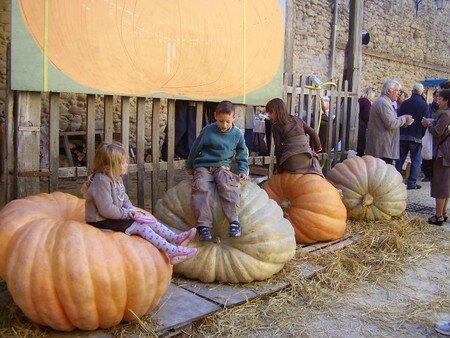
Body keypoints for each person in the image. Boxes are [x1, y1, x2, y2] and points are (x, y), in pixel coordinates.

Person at [83, 142, 198, 264]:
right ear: (111, 166)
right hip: (101, 221)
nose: (126, 165)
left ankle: (176, 238)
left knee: (148, 219)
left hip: (114, 216)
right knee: (141, 226)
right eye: (123, 162)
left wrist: (131, 209)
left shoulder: (115, 177)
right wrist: (128, 214)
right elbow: (107, 210)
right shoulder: (101, 181)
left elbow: (124, 197)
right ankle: (172, 251)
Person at [186, 101, 249, 241]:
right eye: (221, 121)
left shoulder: (237, 134)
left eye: (227, 121)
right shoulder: (207, 131)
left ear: (234, 117)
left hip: (222, 167)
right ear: (215, 116)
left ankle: (234, 222)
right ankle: (203, 226)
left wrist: (243, 169)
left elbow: (242, 153)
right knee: (202, 187)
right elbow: (195, 148)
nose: (224, 125)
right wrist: (190, 165)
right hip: (203, 166)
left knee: (228, 185)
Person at [266, 98, 323, 176]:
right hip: (307, 159)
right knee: (315, 159)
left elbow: (278, 148)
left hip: (290, 162)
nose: (268, 115)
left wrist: (279, 169)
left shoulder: (276, 127)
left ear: (277, 112)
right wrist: (318, 148)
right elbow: (313, 133)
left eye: (270, 112)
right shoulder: (297, 120)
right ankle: (320, 177)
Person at [365, 79, 413, 164]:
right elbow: (391, 123)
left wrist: (403, 122)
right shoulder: (383, 103)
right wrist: (404, 118)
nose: (399, 94)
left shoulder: (385, 102)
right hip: (382, 148)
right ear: (388, 91)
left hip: (383, 147)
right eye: (397, 91)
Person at [421, 89, 450, 226]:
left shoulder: (445, 115)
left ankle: (438, 216)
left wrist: (429, 125)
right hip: (447, 152)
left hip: (442, 154)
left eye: (440, 98)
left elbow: (437, 132)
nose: (438, 101)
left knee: (440, 184)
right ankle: (443, 213)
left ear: (446, 101)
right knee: (446, 183)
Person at [395, 83, 429, 190]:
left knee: (400, 159)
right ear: (421, 92)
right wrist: (422, 135)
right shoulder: (424, 105)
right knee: (416, 161)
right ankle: (412, 183)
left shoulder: (405, 103)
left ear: (412, 91)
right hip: (416, 136)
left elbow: (398, 116)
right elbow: (425, 122)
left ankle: (396, 181)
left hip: (403, 134)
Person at [421, 90, 440, 182]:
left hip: (437, 134)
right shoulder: (429, 107)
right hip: (428, 133)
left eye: (439, 96)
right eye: (436, 96)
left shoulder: (443, 109)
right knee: (427, 152)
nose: (437, 98)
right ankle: (427, 174)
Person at [357, 88, 376, 156]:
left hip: (357, 124)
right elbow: (366, 116)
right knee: (360, 147)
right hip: (361, 126)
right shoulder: (366, 102)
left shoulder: (360, 100)